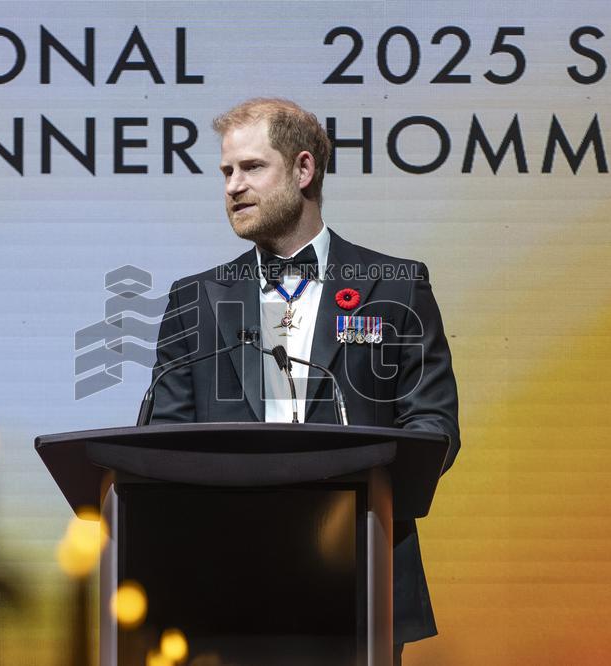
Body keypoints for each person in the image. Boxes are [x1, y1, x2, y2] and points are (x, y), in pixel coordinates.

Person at [150, 98, 460, 665]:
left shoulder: (394, 287)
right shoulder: (193, 299)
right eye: (226, 172)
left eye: (251, 168)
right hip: (225, 590)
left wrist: (360, 486)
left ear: (302, 170)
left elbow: (434, 425)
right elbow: (165, 439)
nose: (233, 187)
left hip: (360, 579)